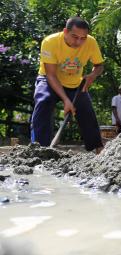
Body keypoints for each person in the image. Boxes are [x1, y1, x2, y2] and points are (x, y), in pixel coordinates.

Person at [31, 16, 104, 153]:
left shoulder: (91, 42)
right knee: (44, 101)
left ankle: (98, 149)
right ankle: (39, 149)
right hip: (49, 80)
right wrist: (66, 100)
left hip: (75, 83)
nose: (79, 42)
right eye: (74, 37)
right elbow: (51, 75)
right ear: (65, 31)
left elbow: (99, 65)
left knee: (87, 112)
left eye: (83, 38)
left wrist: (92, 75)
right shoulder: (50, 42)